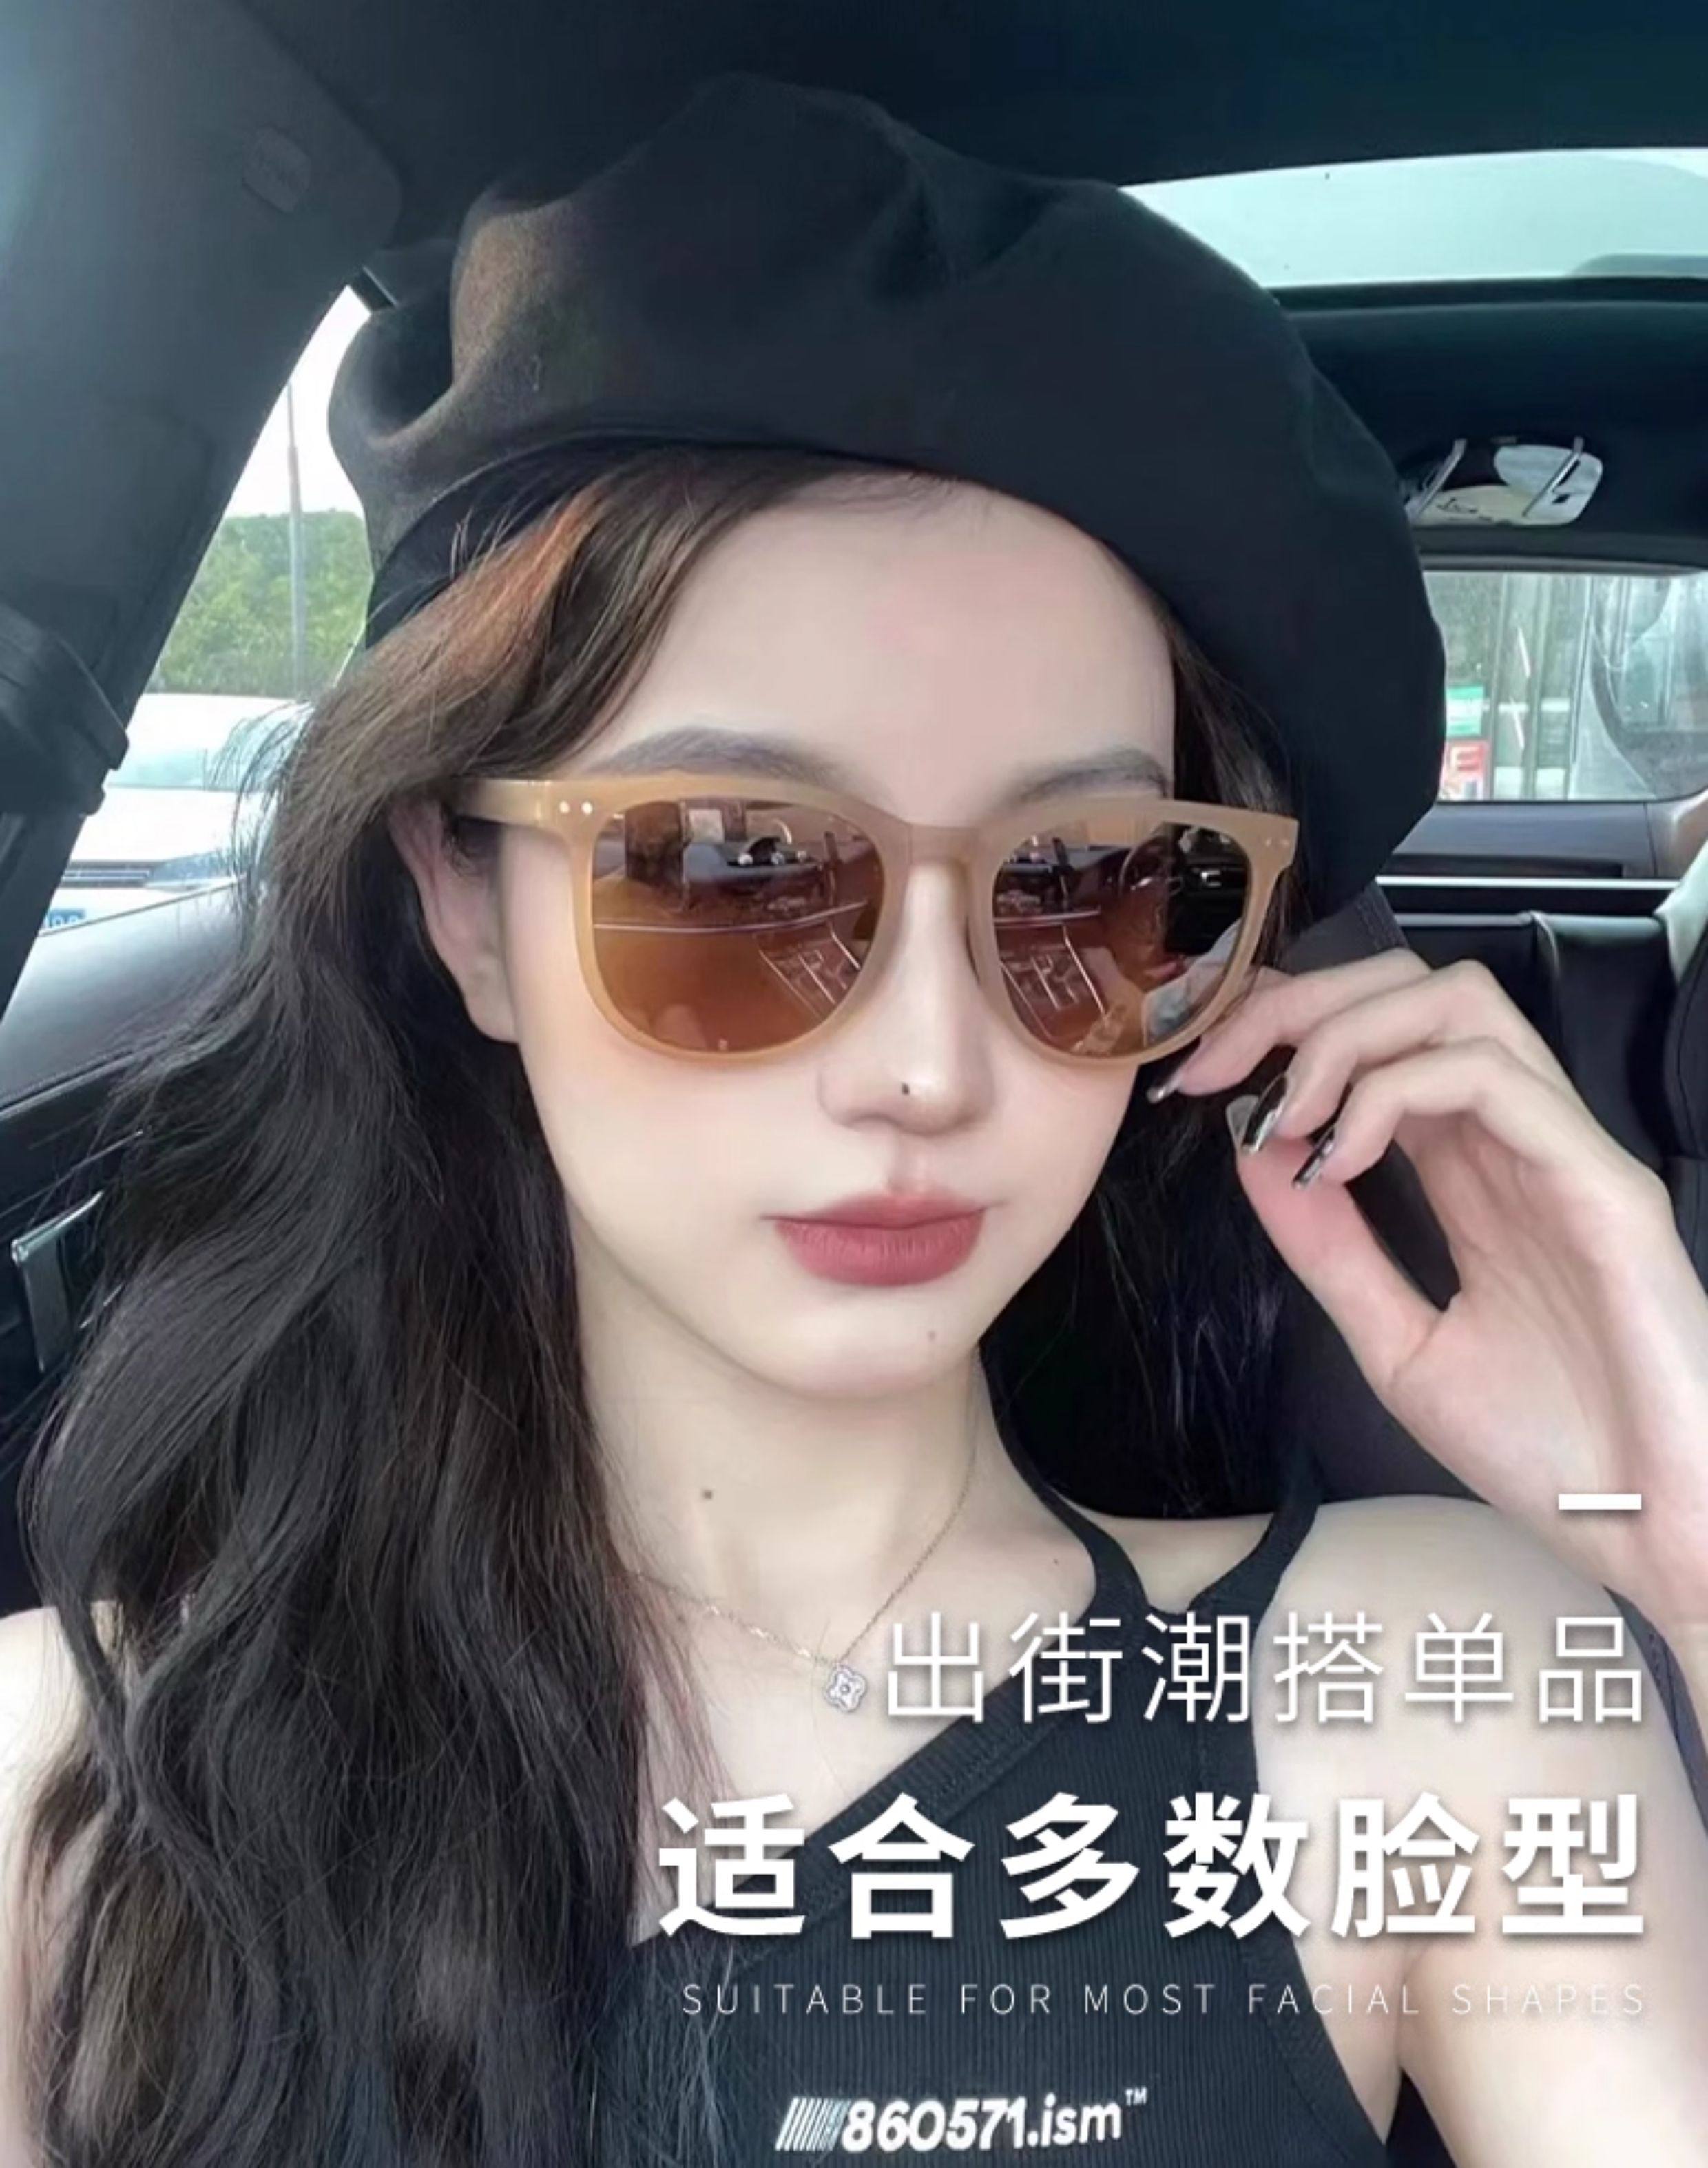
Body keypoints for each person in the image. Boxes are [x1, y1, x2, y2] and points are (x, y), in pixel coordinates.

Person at [4, 69, 1708, 2168]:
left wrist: (1688, 1559)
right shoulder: (67, 1789)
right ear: (464, 907)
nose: (930, 1062)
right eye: (733, 865)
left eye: (1087, 883)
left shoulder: (1437, 1686)